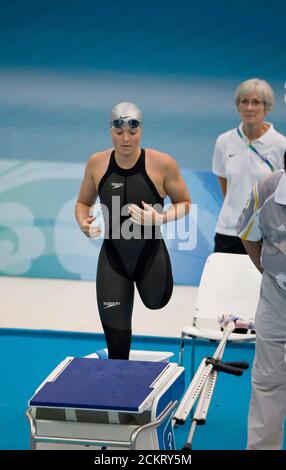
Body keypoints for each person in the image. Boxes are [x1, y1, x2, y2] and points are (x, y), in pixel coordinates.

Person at [75, 102, 191, 360]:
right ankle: (116, 389)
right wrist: (83, 222)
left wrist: (159, 218)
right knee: (116, 345)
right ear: (110, 131)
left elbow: (185, 203)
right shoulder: (97, 163)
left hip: (149, 254)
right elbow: (83, 202)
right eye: (119, 132)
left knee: (156, 301)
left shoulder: (162, 164)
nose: (126, 138)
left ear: (141, 130)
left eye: (132, 131)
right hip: (113, 258)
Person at [236, 151, 286, 449]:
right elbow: (247, 235)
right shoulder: (266, 190)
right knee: (268, 380)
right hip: (276, 295)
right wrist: (269, 272)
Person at [213, 78, 286, 254]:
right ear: (238, 105)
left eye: (256, 102)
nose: (249, 108)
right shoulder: (224, 141)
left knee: (263, 282)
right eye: (244, 101)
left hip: (266, 233)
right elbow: (226, 185)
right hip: (228, 232)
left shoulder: (280, 144)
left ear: (266, 107)